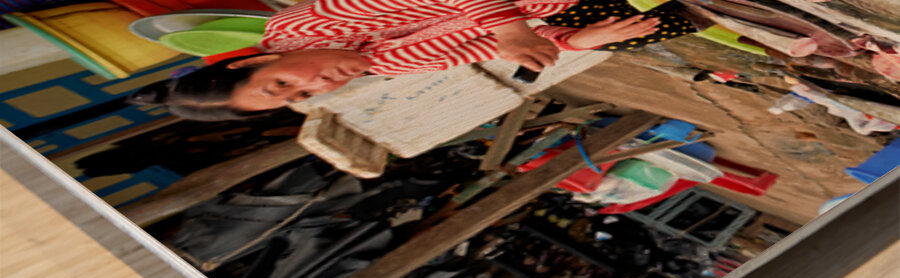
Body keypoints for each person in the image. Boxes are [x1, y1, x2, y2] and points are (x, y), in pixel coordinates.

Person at [129, 0, 700, 120]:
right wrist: (581, 41)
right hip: (557, 4)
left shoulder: (304, 25)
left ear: (247, 63)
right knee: (640, 28)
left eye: (282, 84)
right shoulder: (389, 67)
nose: (316, 88)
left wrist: (511, 30)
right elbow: (502, 45)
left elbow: (487, 22)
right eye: (300, 98)